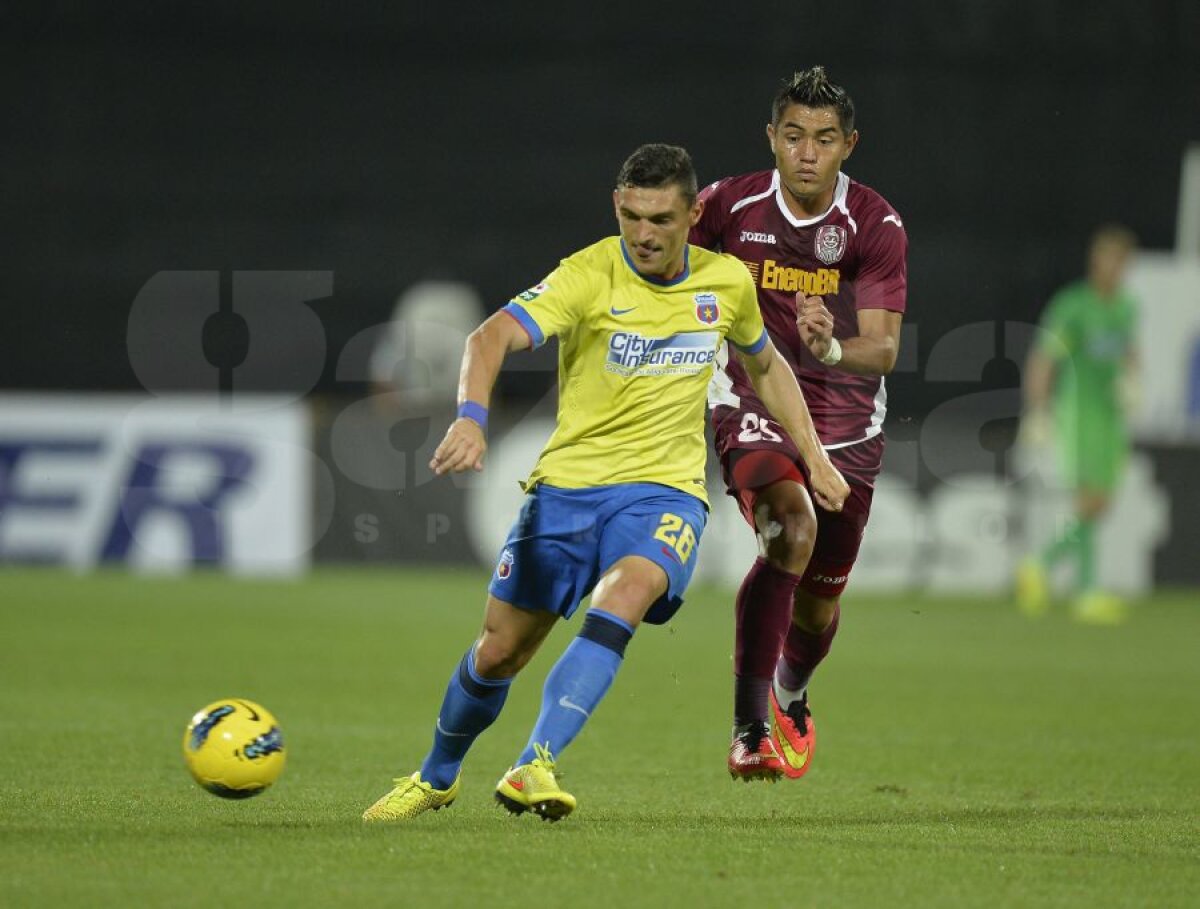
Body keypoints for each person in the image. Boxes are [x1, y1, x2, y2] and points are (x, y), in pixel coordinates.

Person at [362, 143, 849, 823]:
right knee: (499, 651)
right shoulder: (588, 275)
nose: (644, 234)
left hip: (665, 494)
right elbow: (489, 336)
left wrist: (815, 457)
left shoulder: (726, 283)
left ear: (693, 213)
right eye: (631, 216)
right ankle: (437, 775)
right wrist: (470, 418)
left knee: (627, 590)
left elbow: (766, 367)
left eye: (660, 218)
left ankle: (535, 761)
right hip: (566, 492)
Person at [689, 66, 908, 780]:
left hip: (846, 430)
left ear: (849, 144)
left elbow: (884, 348)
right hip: (750, 404)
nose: (806, 153)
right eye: (793, 136)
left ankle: (791, 694)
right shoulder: (727, 206)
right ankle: (750, 730)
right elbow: (656, 271)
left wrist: (832, 346)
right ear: (772, 140)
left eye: (822, 139)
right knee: (789, 526)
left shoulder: (872, 224)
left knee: (817, 607)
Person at [1016, 224, 1139, 625]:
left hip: (1110, 418)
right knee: (1088, 499)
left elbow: (1129, 352)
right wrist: (1038, 410)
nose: (1114, 268)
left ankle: (1041, 568)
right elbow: (1045, 358)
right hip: (1078, 414)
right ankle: (1083, 590)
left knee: (1099, 503)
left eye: (1122, 261)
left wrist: (1133, 381)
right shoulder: (1074, 305)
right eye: (1109, 258)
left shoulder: (1125, 307)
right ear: (1095, 259)